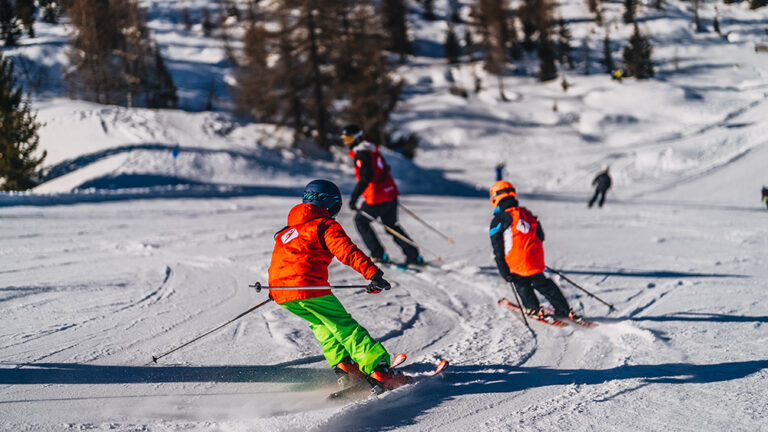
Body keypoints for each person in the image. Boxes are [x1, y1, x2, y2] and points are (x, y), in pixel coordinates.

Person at [268, 179, 410, 393]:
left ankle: (347, 369)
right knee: (345, 327)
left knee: (323, 327)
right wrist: (372, 273)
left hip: (283, 292)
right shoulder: (324, 225)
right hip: (307, 288)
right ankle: (379, 370)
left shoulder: (287, 232)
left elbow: (281, 262)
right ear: (330, 203)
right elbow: (347, 251)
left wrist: (277, 289)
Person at [488, 180, 583, 323]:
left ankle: (533, 308)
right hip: (535, 259)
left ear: (495, 198)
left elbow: (498, 248)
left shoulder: (498, 220)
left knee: (521, 283)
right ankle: (563, 309)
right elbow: (541, 236)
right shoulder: (527, 213)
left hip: (516, 262)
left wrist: (504, 270)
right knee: (542, 283)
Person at [341, 124, 423, 266]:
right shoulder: (372, 149)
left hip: (378, 197)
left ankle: (379, 255)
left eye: (349, 138)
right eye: (344, 139)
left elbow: (365, 179)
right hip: (390, 192)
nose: (346, 142)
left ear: (357, 137)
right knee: (391, 225)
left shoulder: (362, 154)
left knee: (361, 221)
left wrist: (353, 199)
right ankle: (413, 256)